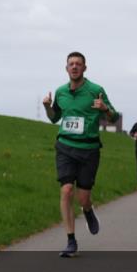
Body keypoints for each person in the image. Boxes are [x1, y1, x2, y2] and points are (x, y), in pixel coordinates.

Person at [42, 52, 117, 257]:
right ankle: (71, 240)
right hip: (65, 146)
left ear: (85, 68)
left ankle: (87, 209)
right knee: (66, 191)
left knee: (83, 198)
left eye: (78, 64)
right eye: (71, 64)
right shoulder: (61, 92)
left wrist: (105, 109)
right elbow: (53, 118)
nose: (74, 67)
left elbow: (114, 117)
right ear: (66, 68)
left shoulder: (96, 90)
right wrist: (47, 107)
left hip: (89, 150)